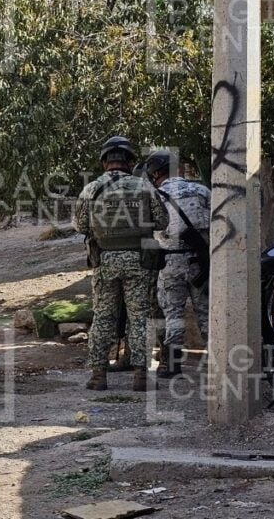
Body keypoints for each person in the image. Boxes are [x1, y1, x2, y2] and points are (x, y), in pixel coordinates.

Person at [75, 136, 169, 392]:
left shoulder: (91, 189)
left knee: (104, 316)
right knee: (140, 318)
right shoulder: (145, 187)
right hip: (140, 261)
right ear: (129, 161)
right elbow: (162, 222)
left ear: (105, 161)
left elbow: (81, 225)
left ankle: (98, 376)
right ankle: (140, 377)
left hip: (105, 261)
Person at [143, 150, 210, 378]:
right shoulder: (202, 191)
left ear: (156, 173)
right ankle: (219, 361)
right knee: (206, 312)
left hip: (170, 261)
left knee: (173, 314)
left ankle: (172, 364)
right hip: (200, 261)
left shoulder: (154, 196)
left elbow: (149, 230)